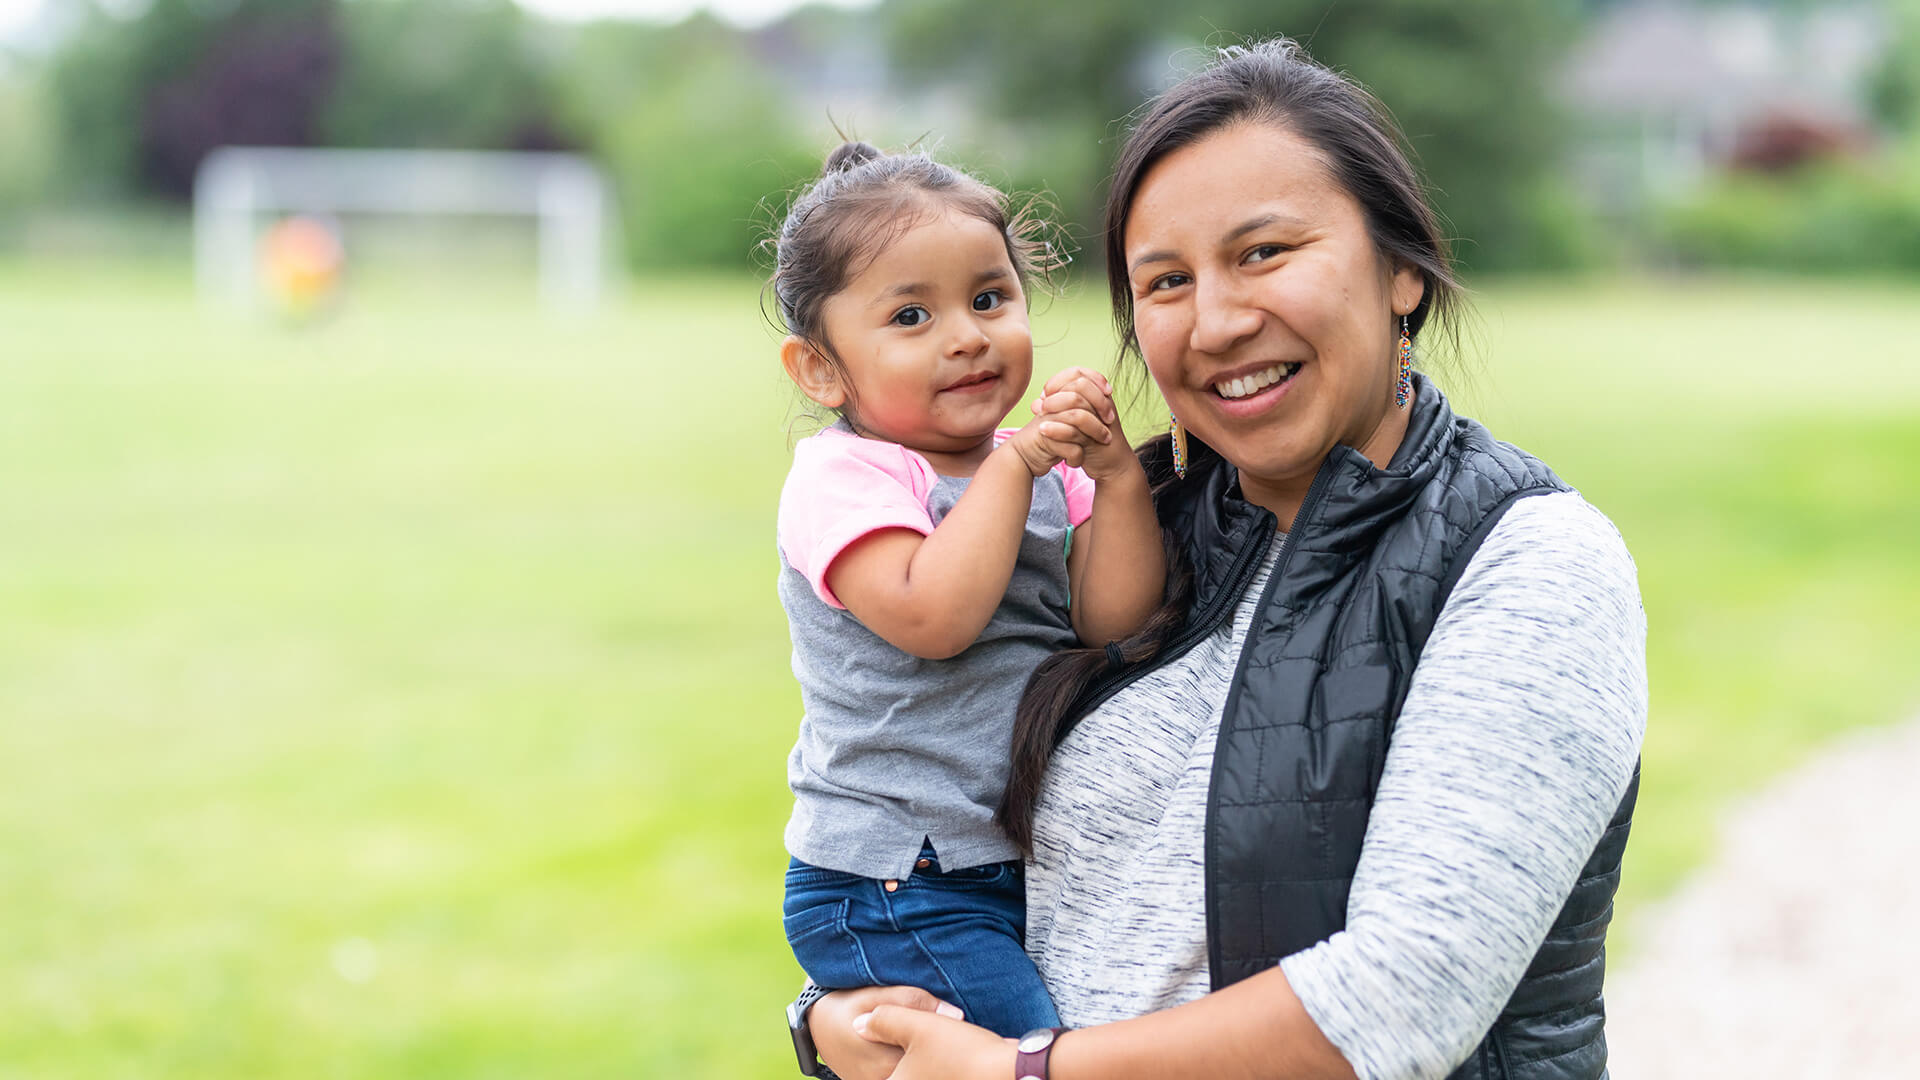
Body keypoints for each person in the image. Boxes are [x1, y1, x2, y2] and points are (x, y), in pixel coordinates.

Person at [795, 39, 1646, 1080]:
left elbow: (1406, 994)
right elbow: (960, 835)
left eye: (1265, 253)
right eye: (1165, 280)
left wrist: (1023, 1071)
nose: (1219, 321)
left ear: (1404, 272)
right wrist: (833, 1019)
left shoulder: (1527, 562)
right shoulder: (1132, 519)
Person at [768, 141, 1169, 1040]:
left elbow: (1110, 621)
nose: (966, 335)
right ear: (822, 369)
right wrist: (1020, 465)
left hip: (995, 864)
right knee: (1027, 1056)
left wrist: (1116, 482)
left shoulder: (1030, 475)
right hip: (893, 878)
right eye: (911, 315)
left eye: (989, 298)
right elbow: (934, 617)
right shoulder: (845, 477)